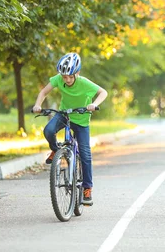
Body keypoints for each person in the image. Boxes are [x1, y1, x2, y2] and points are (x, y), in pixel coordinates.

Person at [32, 53, 108, 206]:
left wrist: (94, 104)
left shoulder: (84, 83)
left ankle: (87, 188)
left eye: (70, 77)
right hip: (64, 115)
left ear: (77, 74)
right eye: (64, 76)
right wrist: (37, 105)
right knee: (48, 130)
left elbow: (103, 92)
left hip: (81, 119)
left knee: (85, 154)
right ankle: (55, 150)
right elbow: (43, 92)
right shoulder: (58, 79)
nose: (66, 79)